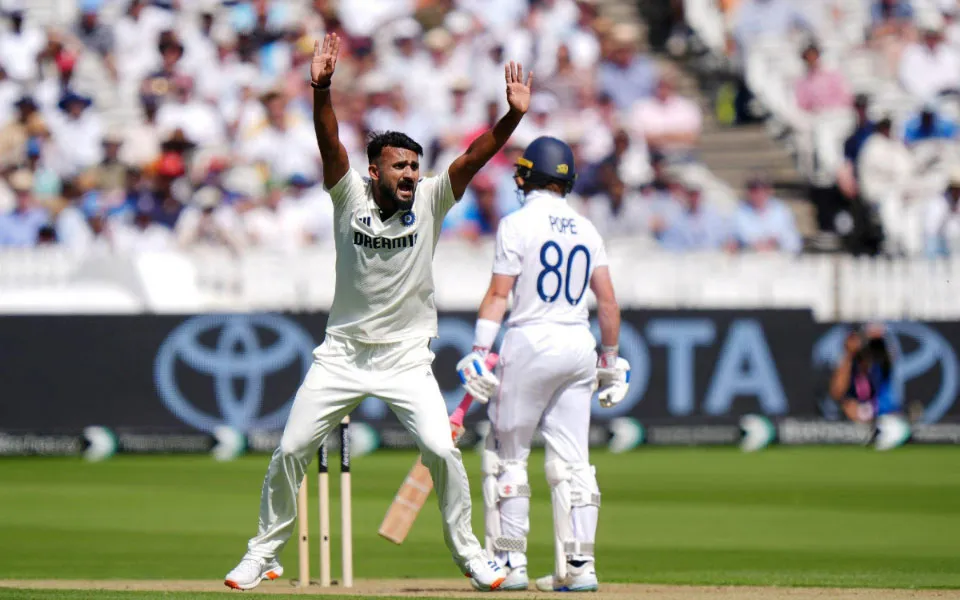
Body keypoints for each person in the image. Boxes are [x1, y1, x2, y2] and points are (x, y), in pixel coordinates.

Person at [224, 33, 534, 592]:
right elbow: (329, 141)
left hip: (406, 357)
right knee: (291, 448)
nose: (411, 174)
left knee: (441, 449)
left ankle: (471, 555)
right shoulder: (348, 196)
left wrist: (511, 117)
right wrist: (321, 89)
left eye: (414, 166)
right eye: (399, 167)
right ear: (374, 172)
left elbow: (473, 157)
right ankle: (263, 554)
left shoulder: (433, 198)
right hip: (342, 353)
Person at [455, 136, 630, 592]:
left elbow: (499, 294)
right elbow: (608, 303)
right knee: (575, 463)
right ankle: (580, 566)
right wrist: (611, 361)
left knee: (507, 457)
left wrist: (479, 351)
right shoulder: (587, 228)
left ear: (528, 177)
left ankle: (510, 561)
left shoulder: (516, 224)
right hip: (578, 344)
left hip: (530, 341)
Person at [829, 323, 900, 424]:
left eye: (878, 344)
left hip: (879, 418)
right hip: (851, 420)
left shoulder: (883, 365)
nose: (873, 348)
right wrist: (849, 354)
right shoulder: (851, 363)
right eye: (870, 343)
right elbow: (837, 393)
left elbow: (889, 402)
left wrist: (866, 411)